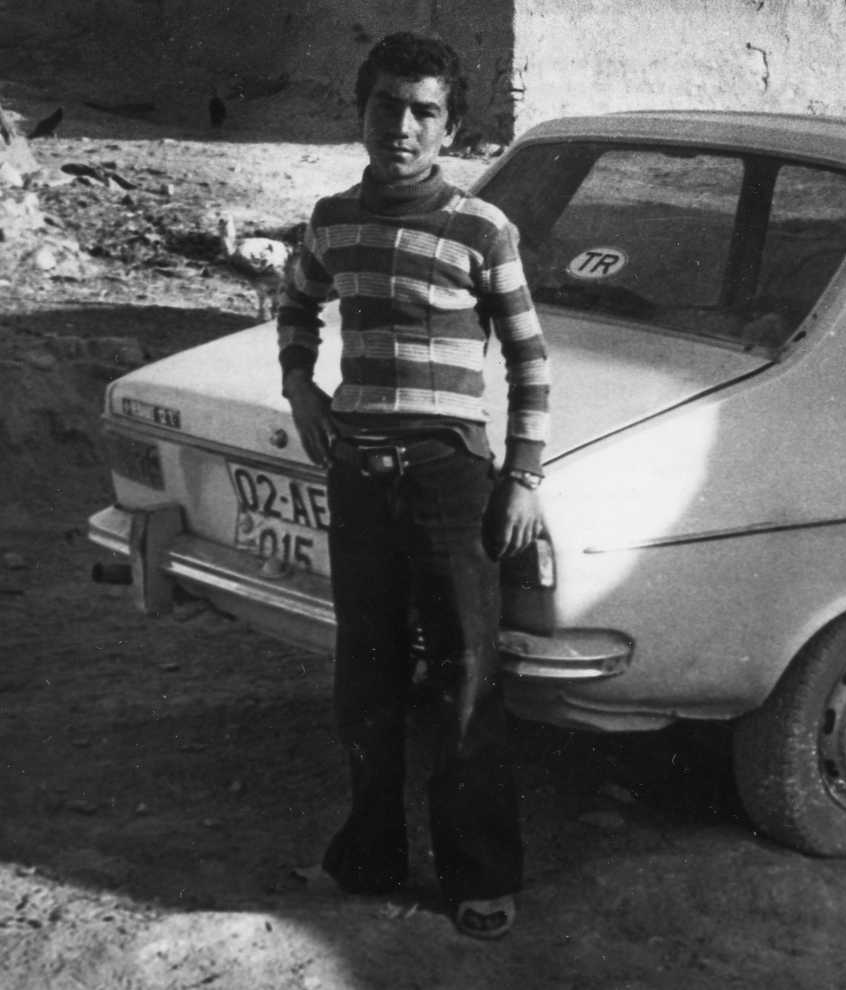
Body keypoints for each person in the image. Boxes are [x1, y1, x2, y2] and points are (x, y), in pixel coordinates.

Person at [276, 31, 550, 939]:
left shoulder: (482, 228)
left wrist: (522, 475)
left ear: (450, 129)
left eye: (423, 112)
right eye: (386, 106)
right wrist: (299, 385)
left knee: (467, 678)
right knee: (367, 676)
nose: (402, 127)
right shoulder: (331, 220)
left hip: (449, 481)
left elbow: (529, 359)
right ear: (361, 114)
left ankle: (479, 875)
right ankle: (369, 858)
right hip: (358, 477)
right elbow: (296, 297)